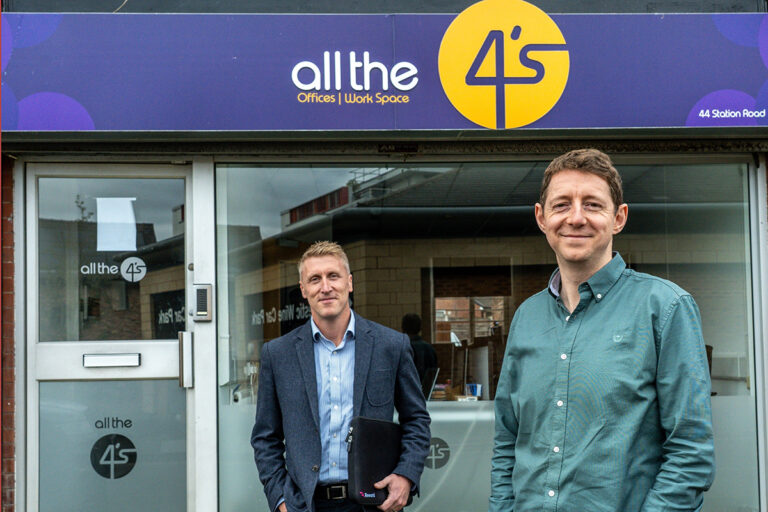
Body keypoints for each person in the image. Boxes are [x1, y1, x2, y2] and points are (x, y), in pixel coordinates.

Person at [490, 149, 715, 512]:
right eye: (562, 205)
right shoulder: (526, 317)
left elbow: (690, 452)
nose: (576, 218)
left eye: (593, 205)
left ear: (618, 218)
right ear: (542, 218)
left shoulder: (665, 307)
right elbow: (506, 441)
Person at [252, 241, 431, 512]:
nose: (325, 287)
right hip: (305, 505)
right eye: (315, 279)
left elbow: (416, 419)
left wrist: (406, 475)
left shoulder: (391, 346)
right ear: (303, 290)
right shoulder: (278, 354)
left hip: (374, 501)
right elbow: (265, 437)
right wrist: (281, 500)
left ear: (349, 282)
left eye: (333, 276)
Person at [400, 313, 438, 389]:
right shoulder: (429, 349)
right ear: (420, 328)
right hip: (425, 391)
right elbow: (433, 374)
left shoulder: (400, 348)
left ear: (403, 328)